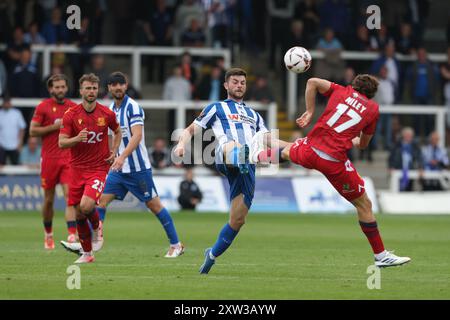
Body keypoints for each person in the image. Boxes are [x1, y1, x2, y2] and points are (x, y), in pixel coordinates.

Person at [252, 75, 411, 268]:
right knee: (364, 205)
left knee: (287, 151)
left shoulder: (341, 90)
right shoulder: (372, 109)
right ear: (372, 94)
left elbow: (312, 82)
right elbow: (363, 144)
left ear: (354, 85)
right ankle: (381, 255)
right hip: (333, 161)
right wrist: (350, 139)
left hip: (310, 150)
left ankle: (250, 155)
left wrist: (310, 112)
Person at [61, 72, 185, 258]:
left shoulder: (133, 108)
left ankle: (176, 245)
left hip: (137, 169)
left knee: (154, 206)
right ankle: (92, 241)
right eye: (113, 85)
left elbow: (137, 136)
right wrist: (113, 154)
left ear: (126, 86)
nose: (117, 88)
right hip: (118, 170)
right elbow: (114, 135)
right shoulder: (111, 109)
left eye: (121, 84)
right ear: (109, 88)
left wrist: (122, 156)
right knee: (99, 202)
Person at [174, 68, 274, 274]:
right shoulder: (216, 107)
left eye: (242, 83)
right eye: (235, 82)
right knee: (232, 146)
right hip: (224, 155)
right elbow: (190, 129)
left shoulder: (254, 115)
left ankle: (211, 255)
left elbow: (268, 139)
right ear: (226, 85)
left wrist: (293, 146)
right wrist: (181, 145)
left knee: (237, 220)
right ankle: (242, 156)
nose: (239, 85)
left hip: (246, 170)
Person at [58, 73, 122, 264]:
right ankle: (87, 254)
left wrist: (114, 150)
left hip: (98, 168)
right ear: (81, 90)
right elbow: (62, 143)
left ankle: (97, 224)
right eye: (88, 88)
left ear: (97, 90)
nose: (91, 91)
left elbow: (118, 131)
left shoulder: (106, 114)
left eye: (94, 88)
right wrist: (77, 139)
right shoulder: (71, 115)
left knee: (87, 206)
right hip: (76, 169)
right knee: (78, 213)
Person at [29, 74, 78, 249]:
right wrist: (54, 127)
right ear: (51, 89)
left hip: (67, 158)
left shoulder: (73, 107)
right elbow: (33, 131)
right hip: (49, 159)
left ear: (66, 88)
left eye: (62, 86)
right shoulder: (43, 107)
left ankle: (72, 235)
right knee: (48, 199)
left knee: (70, 197)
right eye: (56, 87)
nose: (60, 90)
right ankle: (48, 234)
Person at [388, 127, 424, 192]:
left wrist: (420, 167)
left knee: (409, 190)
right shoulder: (397, 145)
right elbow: (391, 158)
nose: (408, 137)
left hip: (410, 170)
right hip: (399, 169)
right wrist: (391, 167)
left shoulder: (415, 146)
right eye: (407, 135)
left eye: (410, 136)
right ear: (403, 135)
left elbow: (419, 157)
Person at [0, 97, 26, 165]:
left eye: (7, 102)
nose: (6, 104)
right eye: (5, 103)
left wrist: (20, 143)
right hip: (2, 145)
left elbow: (22, 128)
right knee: (1, 168)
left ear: (10, 103)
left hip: (15, 145)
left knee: (16, 166)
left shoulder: (17, 113)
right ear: (3, 103)